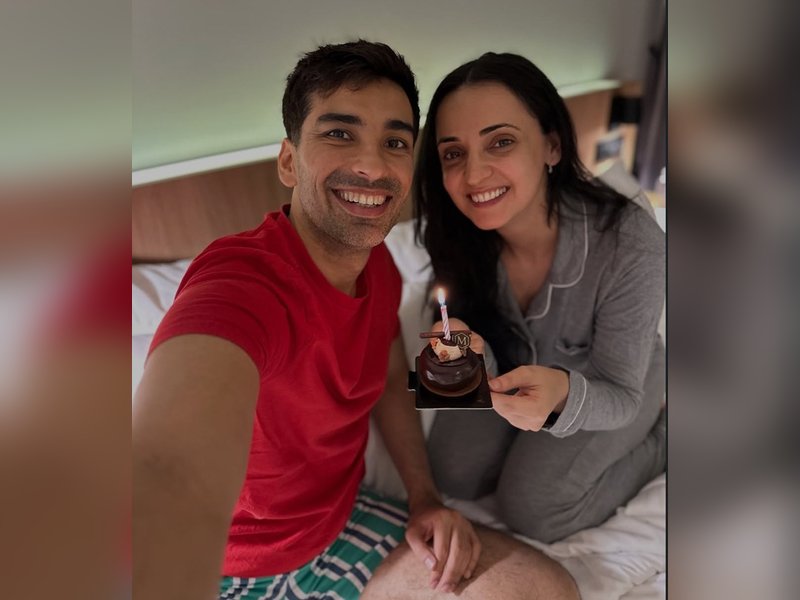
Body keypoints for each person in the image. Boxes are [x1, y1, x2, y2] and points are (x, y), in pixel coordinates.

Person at [133, 41, 578, 600]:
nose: (372, 166)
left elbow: (389, 377)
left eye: (395, 142)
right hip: (219, 569)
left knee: (543, 590)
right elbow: (173, 463)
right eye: (339, 133)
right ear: (289, 161)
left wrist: (424, 499)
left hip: (339, 529)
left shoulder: (381, 267)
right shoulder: (243, 283)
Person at [413, 52, 666, 543]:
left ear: (552, 146)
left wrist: (565, 398)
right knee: (452, 475)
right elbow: (471, 348)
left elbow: (620, 392)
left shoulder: (631, 242)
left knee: (534, 509)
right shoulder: (456, 237)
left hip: (614, 380)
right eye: (453, 154)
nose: (474, 175)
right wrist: (462, 360)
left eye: (500, 142)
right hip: (515, 369)